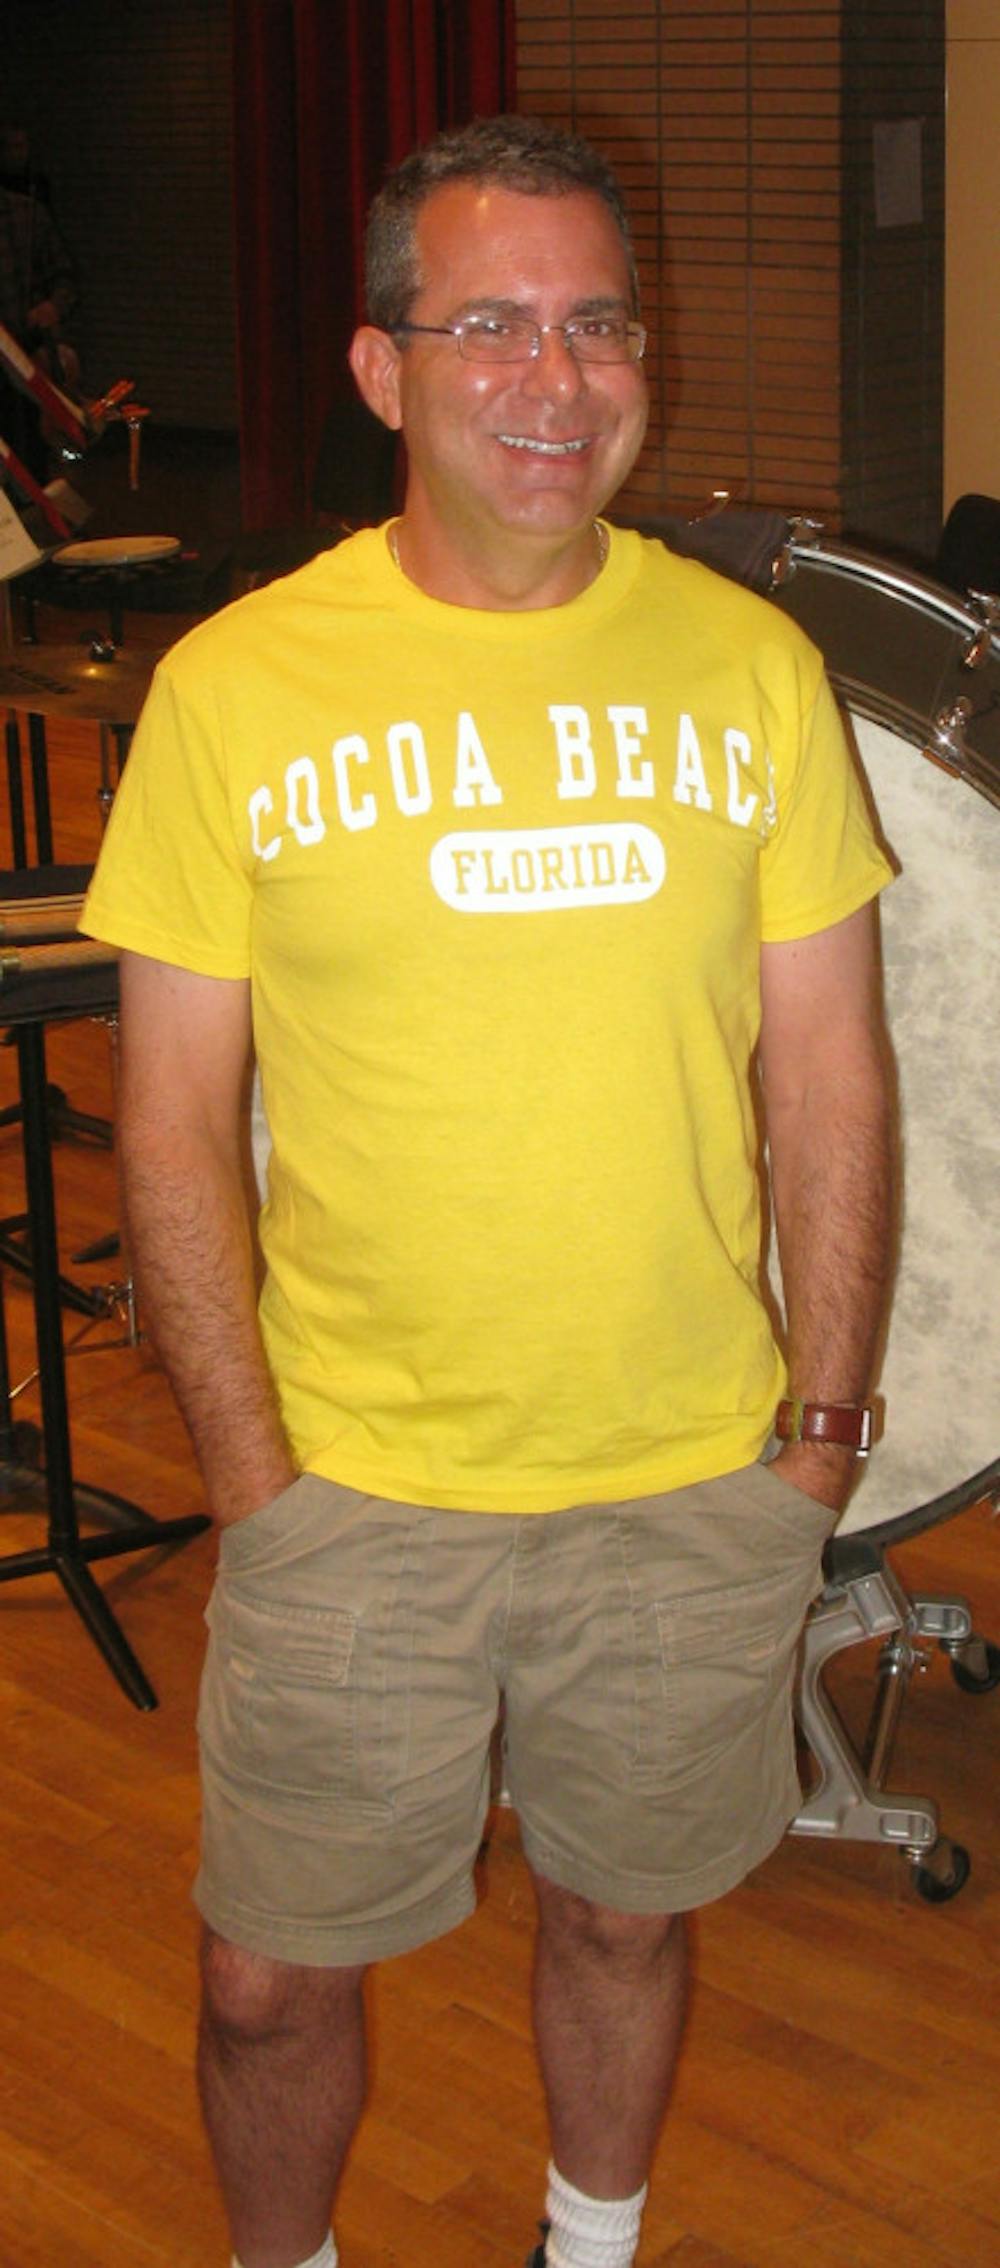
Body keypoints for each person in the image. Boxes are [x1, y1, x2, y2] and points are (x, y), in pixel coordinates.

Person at [81, 114, 894, 2268]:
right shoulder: (240, 692)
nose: (558, 377)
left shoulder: (748, 670)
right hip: (353, 1480)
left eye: (599, 323)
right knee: (264, 1983)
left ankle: (583, 2249)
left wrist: (820, 1436)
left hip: (684, 1474)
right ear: (382, 369)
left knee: (625, 1920)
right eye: (493, 325)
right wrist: (251, 1476)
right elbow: (170, 1119)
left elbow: (828, 1070)